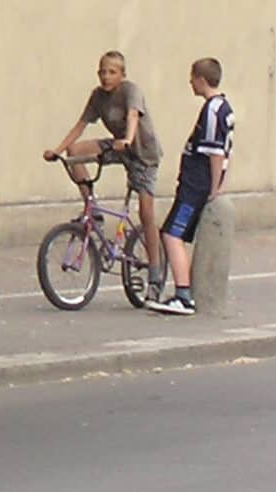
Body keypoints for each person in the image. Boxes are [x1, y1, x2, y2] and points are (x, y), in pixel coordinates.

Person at [44, 50, 166, 300]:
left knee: (146, 213)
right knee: (74, 152)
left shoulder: (130, 91)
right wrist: (57, 150)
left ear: (122, 74)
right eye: (102, 71)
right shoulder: (98, 97)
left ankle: (154, 271)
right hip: (118, 147)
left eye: (112, 72)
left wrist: (129, 139)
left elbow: (133, 115)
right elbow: (81, 125)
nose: (106, 76)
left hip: (143, 154)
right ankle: (93, 208)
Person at [151, 57, 233, 316]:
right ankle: (182, 292)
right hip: (195, 182)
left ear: (201, 79)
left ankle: (183, 295)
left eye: (192, 77)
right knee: (173, 233)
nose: (189, 82)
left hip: (196, 184)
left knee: (172, 235)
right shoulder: (223, 107)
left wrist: (214, 188)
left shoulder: (212, 110)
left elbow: (215, 152)